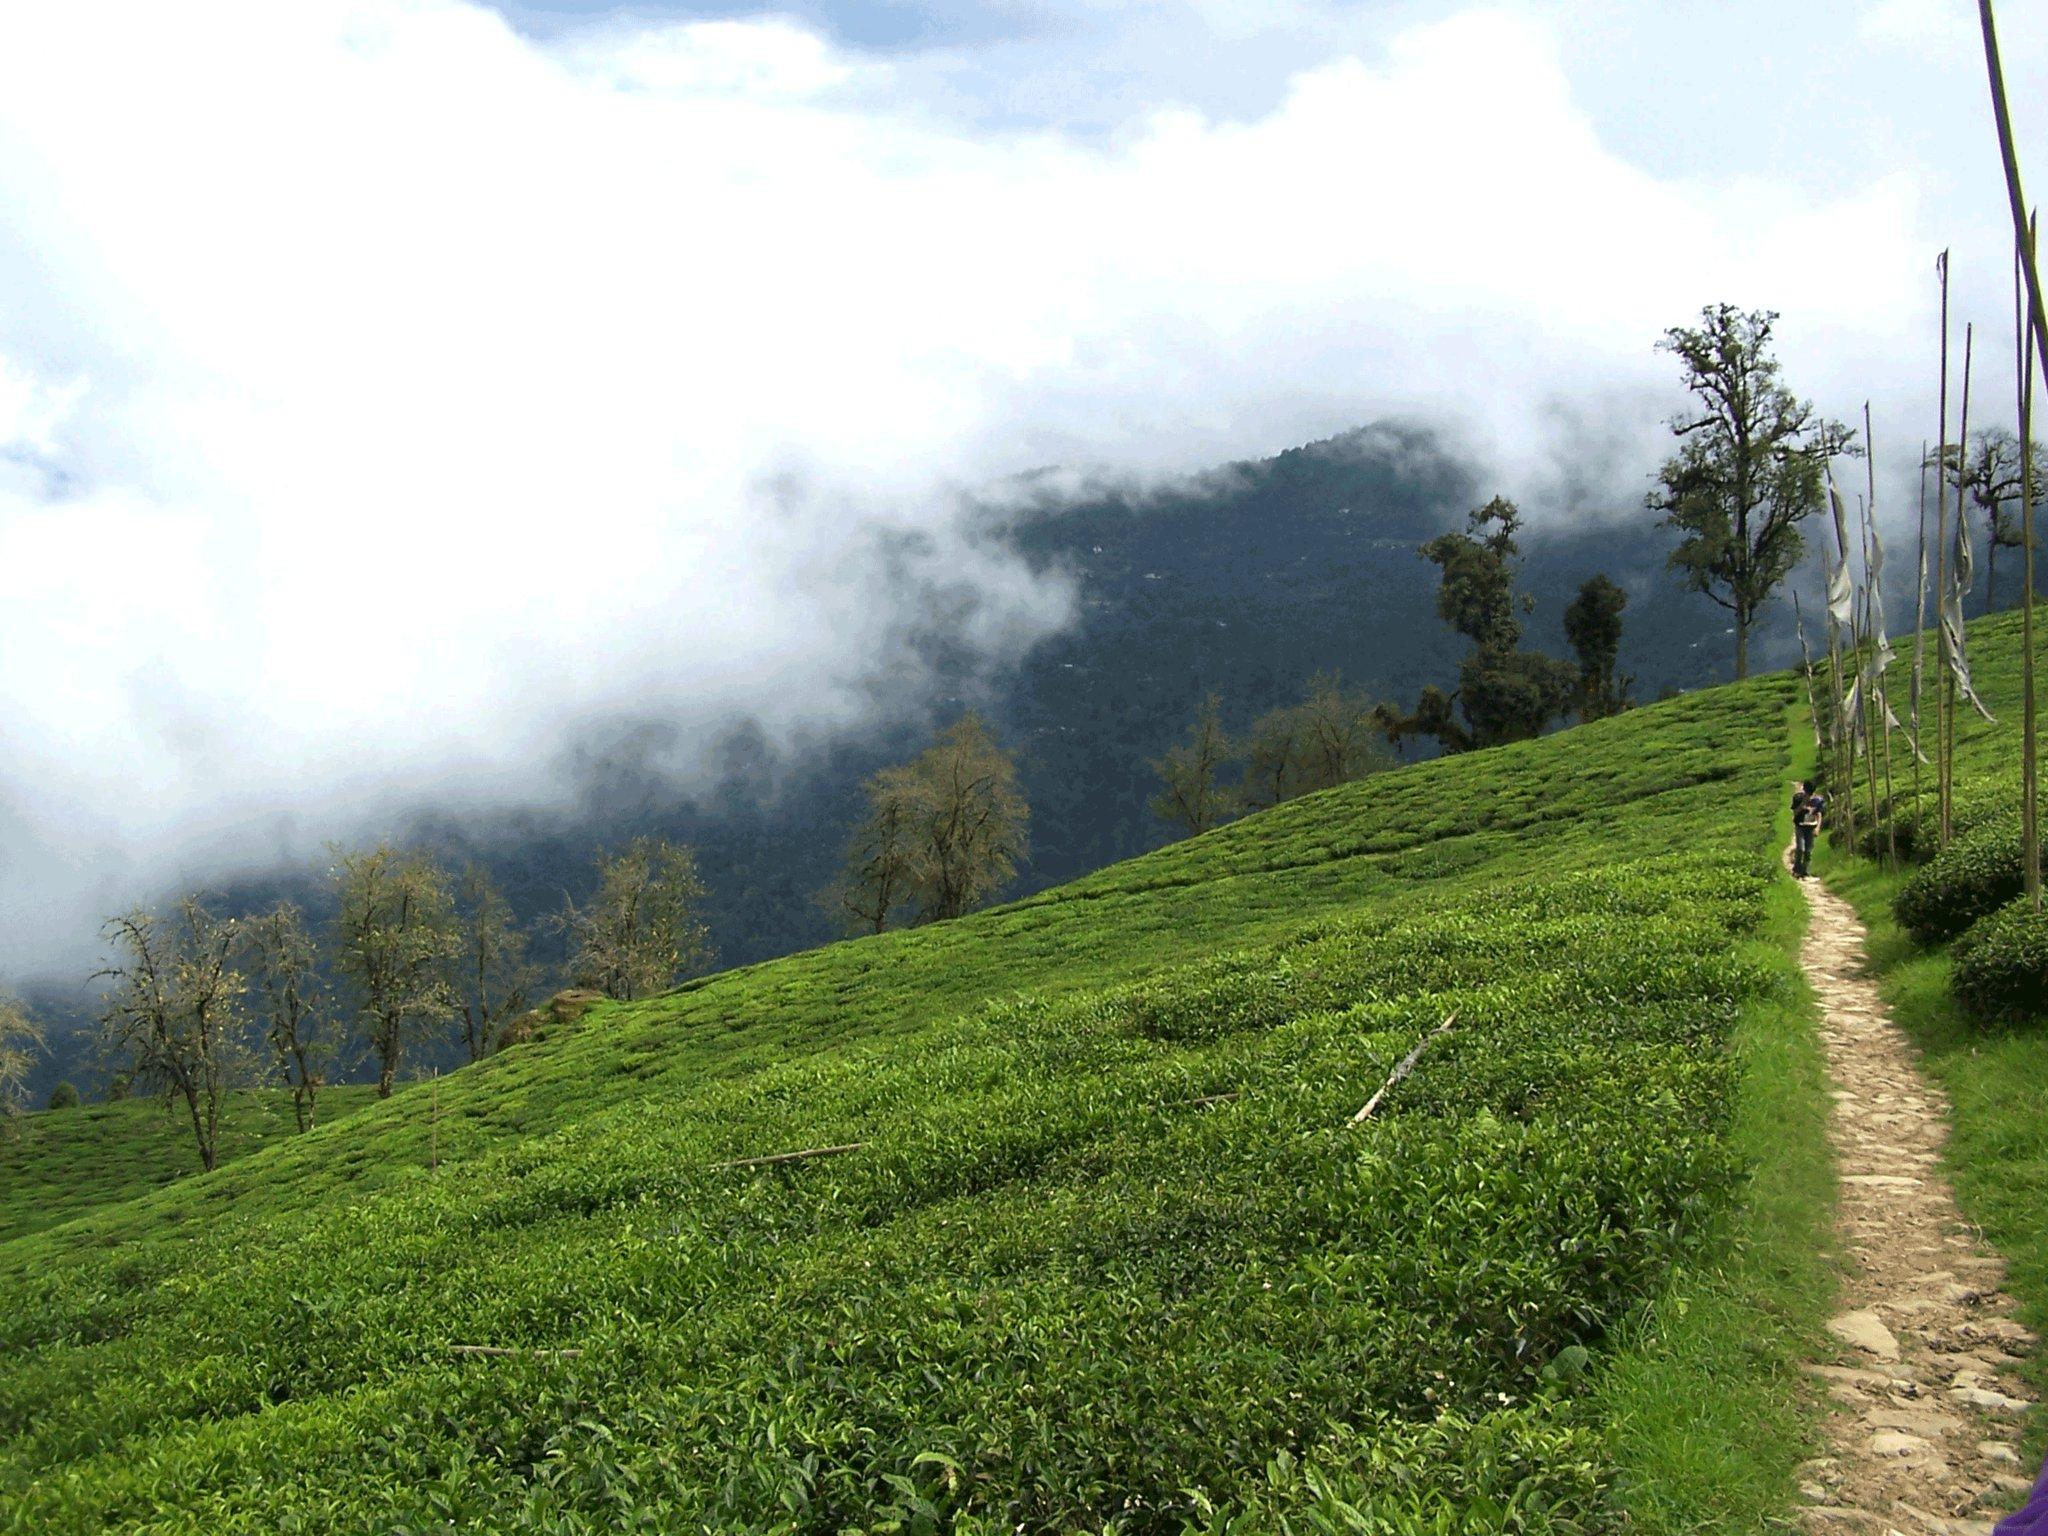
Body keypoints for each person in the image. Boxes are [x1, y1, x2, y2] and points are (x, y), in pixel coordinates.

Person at [1791, 778, 1824, 878]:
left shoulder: (1818, 800)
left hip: (1811, 827)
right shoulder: (1798, 798)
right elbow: (1795, 813)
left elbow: (1819, 814)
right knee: (1800, 848)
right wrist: (1802, 804)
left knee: (1808, 851)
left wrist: (1817, 827)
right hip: (1800, 826)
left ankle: (1805, 871)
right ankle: (1797, 869)